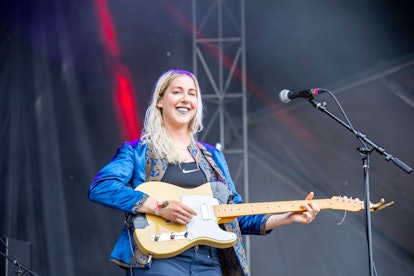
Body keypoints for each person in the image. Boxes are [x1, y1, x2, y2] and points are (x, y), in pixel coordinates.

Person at [88, 69, 320, 276]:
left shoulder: (213, 158)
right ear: (160, 101)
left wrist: (287, 217)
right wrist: (158, 206)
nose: (185, 99)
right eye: (177, 92)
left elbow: (236, 216)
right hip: (159, 261)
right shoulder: (137, 152)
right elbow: (102, 187)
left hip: (209, 263)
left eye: (192, 93)